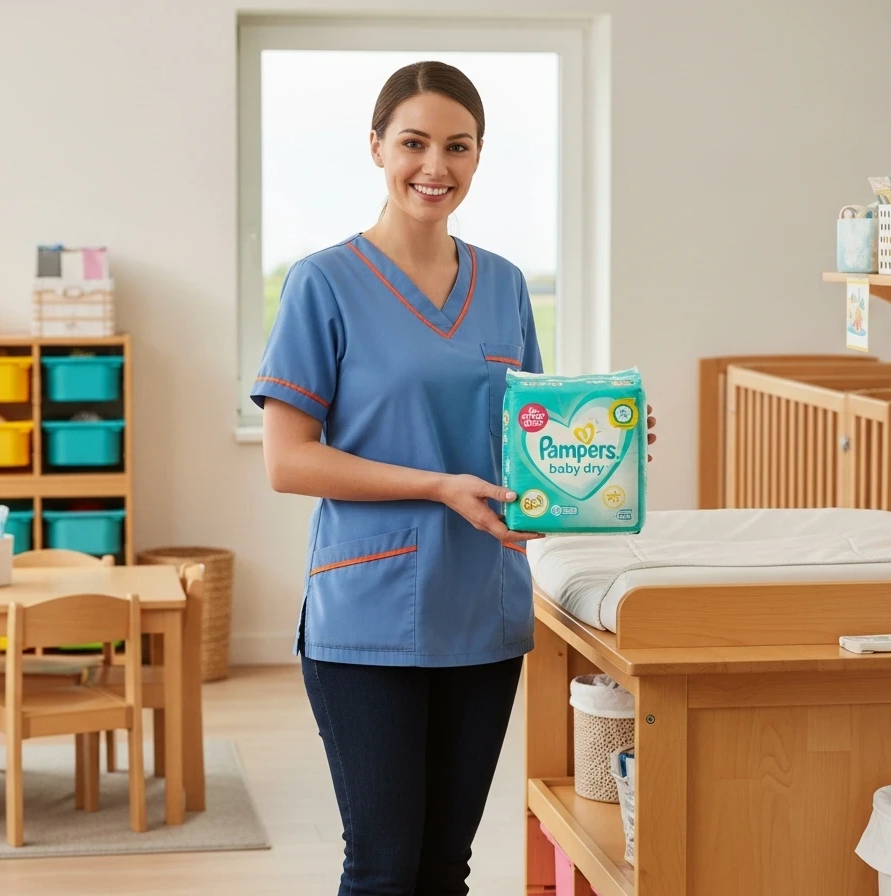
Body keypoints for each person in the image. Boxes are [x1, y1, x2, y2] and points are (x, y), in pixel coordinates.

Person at [252, 60, 655, 895]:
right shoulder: (322, 283)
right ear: (376, 147)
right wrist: (437, 487)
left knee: (446, 868)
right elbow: (288, 461)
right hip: (367, 616)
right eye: (414, 143)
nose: (435, 167)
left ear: (478, 157)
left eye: (457, 147)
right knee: (383, 866)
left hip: (481, 611)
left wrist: (608, 443)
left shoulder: (504, 285)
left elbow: (524, 444)